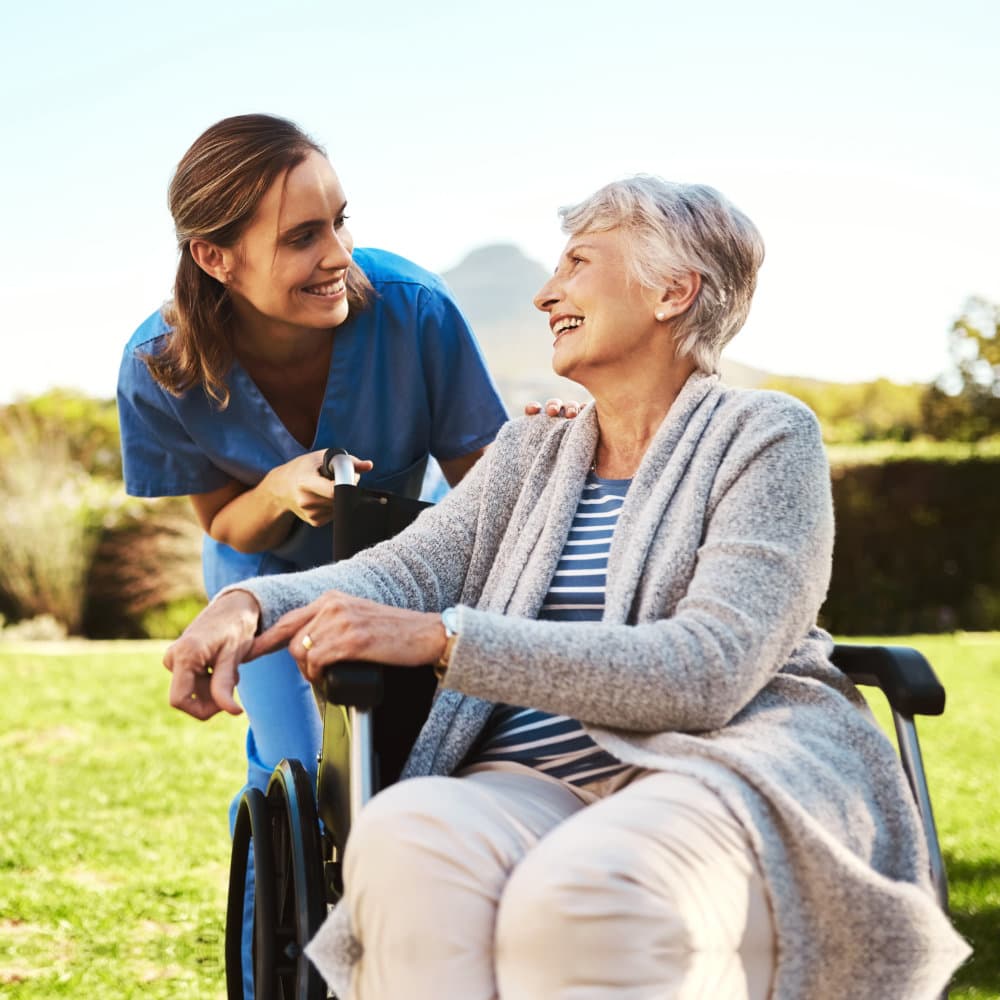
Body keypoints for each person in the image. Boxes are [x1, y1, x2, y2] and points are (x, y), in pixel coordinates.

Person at [164, 176, 970, 999]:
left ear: (672, 292)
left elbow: (710, 666)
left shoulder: (763, 436)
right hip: (524, 779)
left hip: (710, 769)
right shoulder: (533, 453)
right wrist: (246, 603)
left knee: (581, 896)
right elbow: (402, 569)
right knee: (403, 840)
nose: (547, 294)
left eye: (578, 263)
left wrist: (446, 641)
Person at [116, 113, 514, 995]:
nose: (339, 256)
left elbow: (493, 497)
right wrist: (276, 492)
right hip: (258, 578)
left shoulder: (414, 311)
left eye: (340, 221)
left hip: (404, 562)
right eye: (302, 237)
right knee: (300, 775)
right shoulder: (158, 366)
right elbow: (223, 523)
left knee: (412, 768)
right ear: (215, 257)